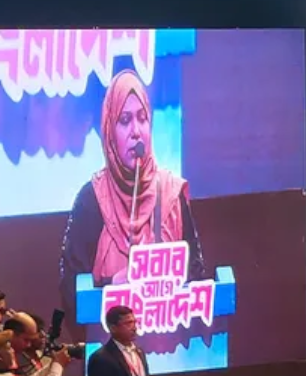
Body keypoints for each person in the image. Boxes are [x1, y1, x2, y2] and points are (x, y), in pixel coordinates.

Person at [59, 69, 205, 312]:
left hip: (170, 330)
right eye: (125, 120)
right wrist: (111, 287)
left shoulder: (172, 193)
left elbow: (197, 275)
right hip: (109, 334)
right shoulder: (91, 200)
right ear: (109, 131)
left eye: (142, 118)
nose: (136, 131)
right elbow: (69, 288)